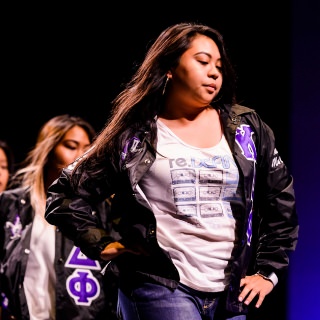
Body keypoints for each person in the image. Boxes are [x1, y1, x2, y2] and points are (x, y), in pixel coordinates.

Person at [44, 22, 299, 320]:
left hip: (230, 294)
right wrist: (102, 245)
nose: (214, 72)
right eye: (202, 62)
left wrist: (268, 272)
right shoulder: (134, 135)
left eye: (218, 64)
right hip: (159, 285)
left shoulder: (246, 129)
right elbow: (65, 195)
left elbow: (281, 201)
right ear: (170, 68)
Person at [0, 115, 118, 319]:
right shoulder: (12, 205)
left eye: (87, 148)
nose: (81, 155)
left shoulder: (103, 209)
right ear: (49, 150)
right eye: (71, 146)